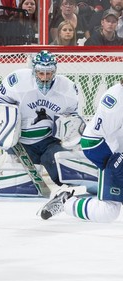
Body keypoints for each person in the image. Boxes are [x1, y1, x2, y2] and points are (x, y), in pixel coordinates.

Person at [0, 50, 80, 187]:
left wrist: (68, 130)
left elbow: (73, 116)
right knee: (19, 184)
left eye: (49, 73)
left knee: (66, 176)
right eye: (41, 73)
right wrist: (9, 125)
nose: (45, 78)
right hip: (20, 144)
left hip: (49, 142)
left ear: (54, 72)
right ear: (34, 71)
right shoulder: (18, 81)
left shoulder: (67, 88)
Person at [39, 78, 123, 222]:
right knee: (107, 212)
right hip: (112, 154)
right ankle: (66, 202)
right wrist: (115, 170)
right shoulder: (115, 101)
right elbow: (91, 141)